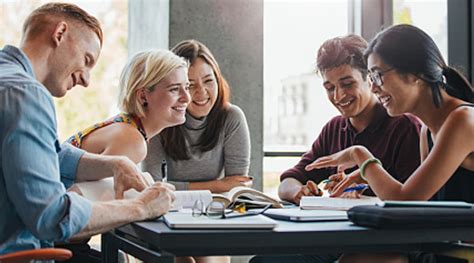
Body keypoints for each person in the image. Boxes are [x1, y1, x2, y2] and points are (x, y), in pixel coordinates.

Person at [0, 2, 175, 260]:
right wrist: (140, 206)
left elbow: (46, 155)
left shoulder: (8, 82)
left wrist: (115, 164)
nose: (86, 80)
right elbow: (52, 217)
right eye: (87, 60)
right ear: (60, 33)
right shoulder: (26, 94)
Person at [310, 24, 474, 263]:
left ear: (414, 74)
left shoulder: (462, 121)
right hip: (443, 250)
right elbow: (416, 210)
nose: (374, 88)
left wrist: (361, 156)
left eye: (377, 75)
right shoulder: (427, 131)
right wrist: (369, 178)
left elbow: (404, 203)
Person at [278, 34, 421, 206]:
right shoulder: (334, 128)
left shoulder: (405, 127)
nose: (338, 96)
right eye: (330, 88)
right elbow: (290, 180)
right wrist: (298, 192)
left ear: (370, 79)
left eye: (347, 84)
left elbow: (414, 200)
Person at [142, 39, 252, 193]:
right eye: (190, 85)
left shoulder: (231, 117)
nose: (201, 92)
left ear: (218, 81)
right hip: (169, 209)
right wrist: (219, 185)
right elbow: (152, 187)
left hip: (217, 210)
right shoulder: (159, 119)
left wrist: (179, 187)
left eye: (208, 81)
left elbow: (237, 185)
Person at [67, 49, 190, 165]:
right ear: (143, 96)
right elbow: (84, 187)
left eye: (187, 87)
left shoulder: (128, 128)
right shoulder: (131, 141)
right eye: (174, 89)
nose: (187, 98)